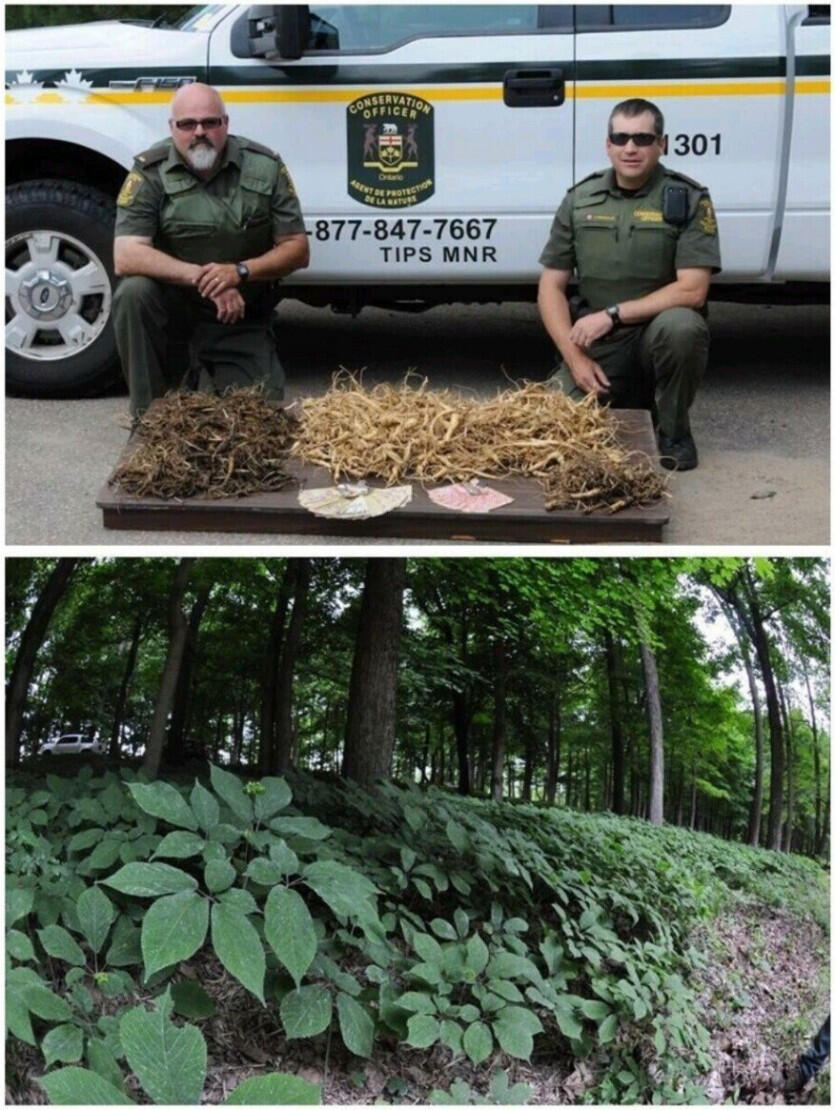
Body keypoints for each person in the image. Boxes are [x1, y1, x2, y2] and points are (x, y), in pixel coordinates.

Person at [537, 98, 721, 470]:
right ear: (608, 145)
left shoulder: (688, 199)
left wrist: (613, 314)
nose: (630, 148)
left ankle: (673, 430)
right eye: (620, 138)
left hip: (657, 331)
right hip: (601, 343)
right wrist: (575, 360)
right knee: (545, 425)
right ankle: (631, 398)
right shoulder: (579, 199)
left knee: (682, 327)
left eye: (642, 138)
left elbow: (693, 290)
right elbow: (550, 288)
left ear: (662, 144)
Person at [112, 83, 309, 415]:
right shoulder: (149, 172)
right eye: (188, 124)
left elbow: (297, 248)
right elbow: (126, 254)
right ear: (172, 128)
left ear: (226, 124)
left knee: (258, 422)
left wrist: (238, 272)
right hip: (173, 310)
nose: (199, 132)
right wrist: (206, 279)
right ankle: (146, 419)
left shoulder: (265, 166)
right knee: (133, 293)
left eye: (210, 123)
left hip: (239, 313)